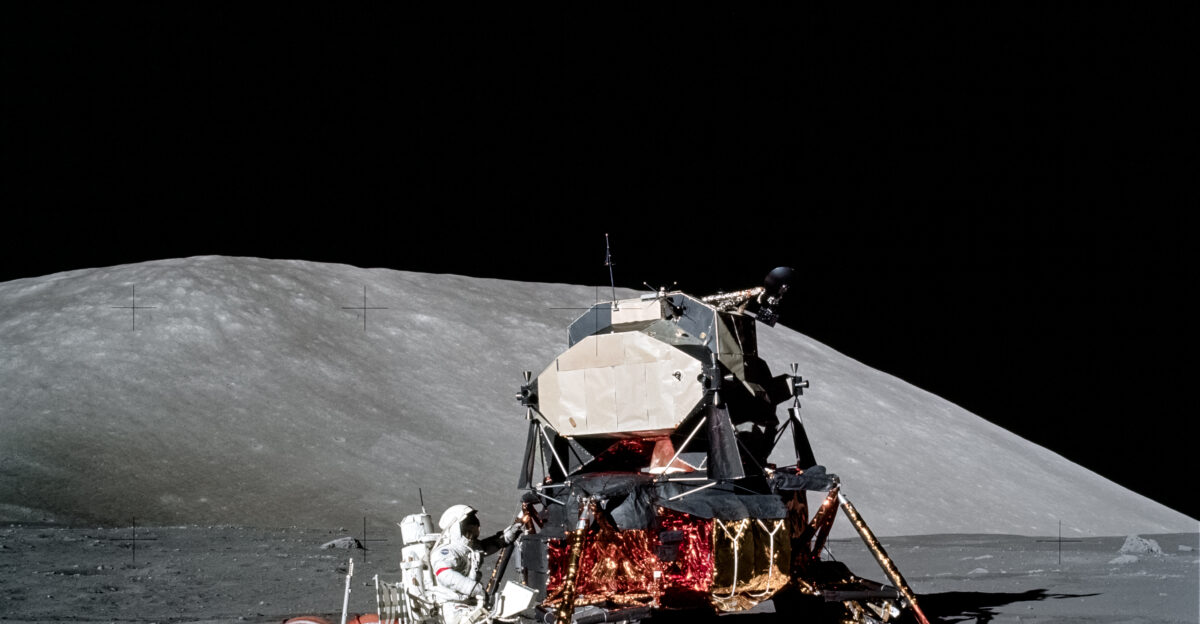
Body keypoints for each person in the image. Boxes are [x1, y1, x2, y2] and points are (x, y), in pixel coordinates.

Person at [430, 504, 522, 624]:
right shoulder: (446, 551)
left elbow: (488, 545)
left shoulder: (469, 548)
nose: (475, 527)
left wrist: (507, 536)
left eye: (474, 523)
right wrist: (474, 588)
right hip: (453, 606)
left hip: (471, 604)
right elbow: (445, 575)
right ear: (456, 527)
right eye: (470, 524)